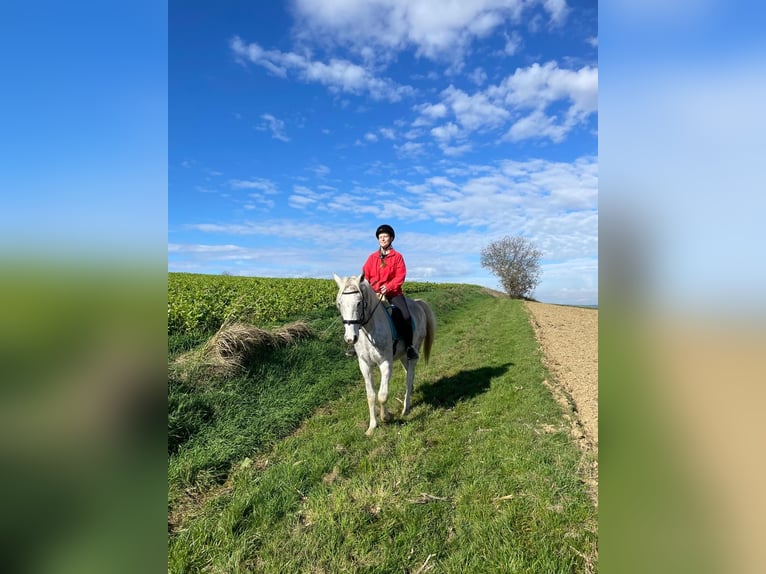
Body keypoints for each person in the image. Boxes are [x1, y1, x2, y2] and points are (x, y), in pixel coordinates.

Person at [360, 224, 419, 360]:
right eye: (380, 237)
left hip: (393, 294)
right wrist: (369, 288)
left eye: (385, 236)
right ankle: (356, 346)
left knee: (406, 317)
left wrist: (389, 287)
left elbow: (400, 276)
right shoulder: (372, 258)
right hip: (374, 294)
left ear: (391, 238)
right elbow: (365, 275)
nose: (382, 239)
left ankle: (410, 346)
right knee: (359, 313)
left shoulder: (397, 257)